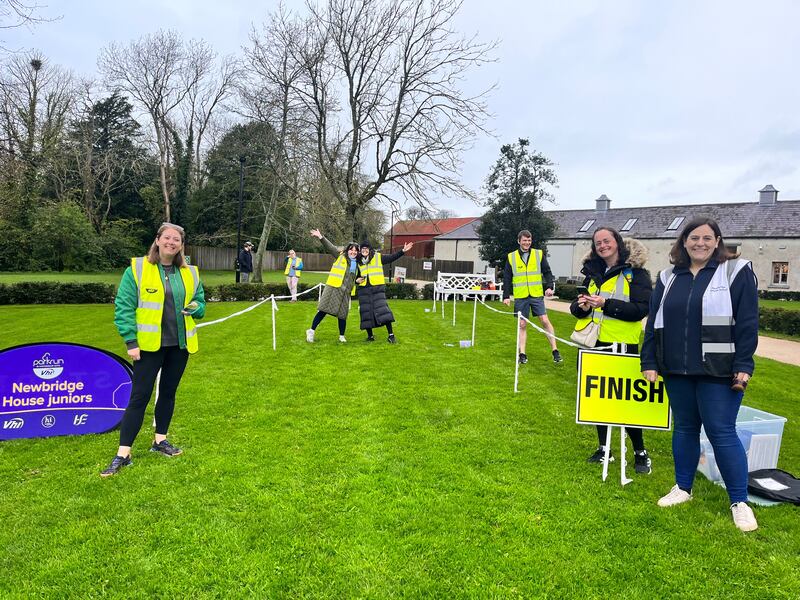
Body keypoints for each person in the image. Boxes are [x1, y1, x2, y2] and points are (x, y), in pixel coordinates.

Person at [640, 217, 759, 532]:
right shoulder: (667, 276)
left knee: (722, 432)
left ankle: (740, 502)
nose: (700, 243)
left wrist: (744, 365)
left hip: (719, 370)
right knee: (684, 430)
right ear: (684, 242)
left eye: (708, 238)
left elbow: (747, 323)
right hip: (676, 367)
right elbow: (653, 323)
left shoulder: (736, 271)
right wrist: (648, 360)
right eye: (694, 238)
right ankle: (683, 488)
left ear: (718, 241)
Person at [101, 223, 205, 477]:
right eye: (167, 238)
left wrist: (194, 307)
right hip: (148, 347)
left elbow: (200, 304)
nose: (171, 242)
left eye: (177, 239)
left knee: (168, 393)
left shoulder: (190, 272)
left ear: (181, 245)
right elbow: (124, 307)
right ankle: (123, 454)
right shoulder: (137, 269)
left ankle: (160, 441)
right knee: (139, 397)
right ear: (157, 240)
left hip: (179, 345)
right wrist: (130, 341)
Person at [570, 227, 653, 472]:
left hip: (622, 346)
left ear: (617, 242)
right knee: (597, 401)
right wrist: (582, 306)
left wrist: (607, 304)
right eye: (598, 243)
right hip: (594, 344)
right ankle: (604, 449)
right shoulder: (592, 272)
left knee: (625, 403)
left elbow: (641, 309)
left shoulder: (636, 273)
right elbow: (577, 310)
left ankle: (640, 452)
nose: (603, 246)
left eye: (607, 241)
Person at [502, 229, 562, 364]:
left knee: (544, 320)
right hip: (521, 296)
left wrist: (549, 287)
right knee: (522, 324)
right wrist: (506, 296)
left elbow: (547, 272)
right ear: (519, 241)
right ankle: (522, 354)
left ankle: (555, 350)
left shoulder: (538, 254)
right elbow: (507, 277)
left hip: (536, 294)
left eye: (529, 240)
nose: (527, 243)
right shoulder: (511, 257)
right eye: (524, 240)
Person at [305, 229, 358, 343]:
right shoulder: (340, 256)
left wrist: (357, 281)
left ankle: (342, 336)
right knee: (323, 310)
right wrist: (321, 237)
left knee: (343, 315)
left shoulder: (357, 264)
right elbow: (331, 248)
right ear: (347, 250)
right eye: (351, 250)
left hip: (345, 291)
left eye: (355, 251)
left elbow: (353, 279)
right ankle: (311, 331)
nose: (353, 252)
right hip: (333, 288)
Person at [356, 240, 414, 343]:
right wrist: (356, 281)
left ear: (370, 250)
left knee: (383, 311)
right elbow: (356, 276)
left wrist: (403, 251)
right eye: (363, 248)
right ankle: (370, 336)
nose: (364, 250)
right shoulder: (358, 261)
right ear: (360, 250)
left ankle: (391, 335)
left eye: (366, 248)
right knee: (366, 313)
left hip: (377, 289)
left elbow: (392, 257)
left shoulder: (378, 257)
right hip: (364, 289)